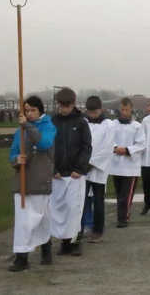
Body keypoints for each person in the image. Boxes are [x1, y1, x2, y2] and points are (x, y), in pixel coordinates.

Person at [8, 96, 56, 271]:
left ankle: (46, 248)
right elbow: (12, 152)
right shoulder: (19, 131)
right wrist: (16, 159)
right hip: (22, 180)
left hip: (40, 179)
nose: (29, 114)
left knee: (40, 218)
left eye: (32, 110)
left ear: (40, 110)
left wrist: (28, 126)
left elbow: (43, 144)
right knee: (22, 220)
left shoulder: (49, 127)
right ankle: (22, 257)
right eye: (26, 110)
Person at [51, 87, 92, 257]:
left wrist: (80, 168)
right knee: (60, 208)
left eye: (67, 106)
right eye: (61, 106)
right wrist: (53, 168)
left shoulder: (81, 122)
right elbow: (49, 148)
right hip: (59, 174)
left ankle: (75, 241)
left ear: (73, 104)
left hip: (75, 174)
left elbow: (86, 146)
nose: (64, 110)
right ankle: (64, 242)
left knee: (74, 208)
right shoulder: (54, 122)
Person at [108, 97, 146, 228]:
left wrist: (128, 150)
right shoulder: (113, 124)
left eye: (126, 109)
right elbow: (107, 139)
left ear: (131, 109)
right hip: (116, 164)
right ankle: (121, 214)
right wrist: (114, 147)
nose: (124, 112)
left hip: (130, 165)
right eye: (122, 109)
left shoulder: (137, 126)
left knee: (126, 193)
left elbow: (141, 144)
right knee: (119, 192)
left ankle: (123, 217)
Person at [81, 96, 115, 243]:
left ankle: (98, 229)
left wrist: (91, 164)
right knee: (81, 200)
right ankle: (80, 228)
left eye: (95, 112)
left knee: (98, 200)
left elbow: (106, 148)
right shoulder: (83, 123)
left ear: (101, 109)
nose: (93, 114)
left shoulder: (109, 124)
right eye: (90, 112)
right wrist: (82, 163)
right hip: (83, 167)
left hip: (99, 169)